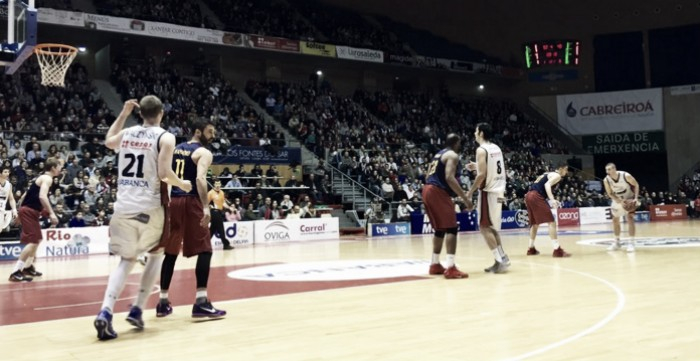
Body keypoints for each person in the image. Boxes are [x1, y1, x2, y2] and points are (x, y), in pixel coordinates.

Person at [93, 97, 192, 341]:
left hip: (123, 207)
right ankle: (137, 308)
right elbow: (163, 174)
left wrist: (124, 113)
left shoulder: (127, 133)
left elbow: (108, 141)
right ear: (161, 113)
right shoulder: (165, 137)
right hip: (150, 208)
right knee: (156, 255)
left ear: (141, 113)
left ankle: (105, 311)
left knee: (126, 260)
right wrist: (183, 184)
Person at [158, 120, 227, 319]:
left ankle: (163, 302)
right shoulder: (203, 152)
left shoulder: (176, 149)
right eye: (210, 131)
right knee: (205, 249)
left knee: (170, 252)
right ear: (198, 132)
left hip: (175, 201)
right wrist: (206, 207)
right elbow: (199, 179)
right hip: (191, 201)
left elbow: (165, 175)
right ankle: (201, 302)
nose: (213, 135)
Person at [423, 133, 471, 279]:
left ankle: (435, 263)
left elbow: (426, 176)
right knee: (451, 227)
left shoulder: (438, 154)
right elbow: (449, 177)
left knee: (440, 229)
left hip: (427, 189)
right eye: (460, 143)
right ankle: (450, 267)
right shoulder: (453, 155)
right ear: (456, 143)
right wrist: (465, 198)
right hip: (437, 191)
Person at [465, 123, 510, 274]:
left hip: (488, 192)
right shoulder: (496, 147)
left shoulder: (481, 150)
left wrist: (470, 192)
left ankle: (499, 261)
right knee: (493, 227)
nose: (474, 133)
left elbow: (482, 175)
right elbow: (492, 167)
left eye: (476, 131)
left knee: (484, 227)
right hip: (500, 192)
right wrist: (477, 166)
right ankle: (503, 257)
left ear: (482, 133)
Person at [7, 159, 55, 283]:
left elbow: (24, 196)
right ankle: (15, 272)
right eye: (60, 166)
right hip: (29, 211)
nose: (61, 169)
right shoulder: (47, 178)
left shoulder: (40, 178)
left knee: (37, 240)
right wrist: (52, 213)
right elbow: (42, 196)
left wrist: (19, 212)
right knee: (33, 241)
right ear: (54, 168)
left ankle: (28, 267)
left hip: (29, 211)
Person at [524, 162, 571, 257]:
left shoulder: (547, 173)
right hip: (536, 196)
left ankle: (531, 248)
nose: (566, 172)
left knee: (535, 224)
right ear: (561, 169)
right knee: (551, 222)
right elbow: (547, 185)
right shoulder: (557, 175)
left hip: (528, 195)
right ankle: (557, 250)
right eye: (566, 170)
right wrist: (552, 199)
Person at [604, 163, 640, 252]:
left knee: (630, 218)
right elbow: (610, 193)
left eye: (609, 169)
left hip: (629, 198)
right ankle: (617, 242)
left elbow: (636, 185)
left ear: (614, 169)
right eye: (606, 170)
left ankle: (631, 243)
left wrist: (635, 198)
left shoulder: (626, 176)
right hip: (618, 199)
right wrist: (619, 200)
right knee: (615, 220)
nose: (607, 172)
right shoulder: (606, 180)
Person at [208, 180, 233, 250]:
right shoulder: (210, 193)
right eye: (216, 184)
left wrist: (229, 208)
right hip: (214, 212)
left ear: (221, 184)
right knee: (220, 228)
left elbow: (223, 203)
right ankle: (226, 244)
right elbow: (206, 203)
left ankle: (204, 243)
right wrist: (209, 207)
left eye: (219, 184)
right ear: (214, 185)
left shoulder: (222, 192)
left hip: (219, 212)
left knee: (212, 229)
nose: (218, 185)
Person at [0, 166, 18, 233]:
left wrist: (14, 209)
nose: (7, 173)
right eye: (5, 172)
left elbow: (11, 199)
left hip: (2, 208)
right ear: (0, 173)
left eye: (8, 172)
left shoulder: (9, 185)